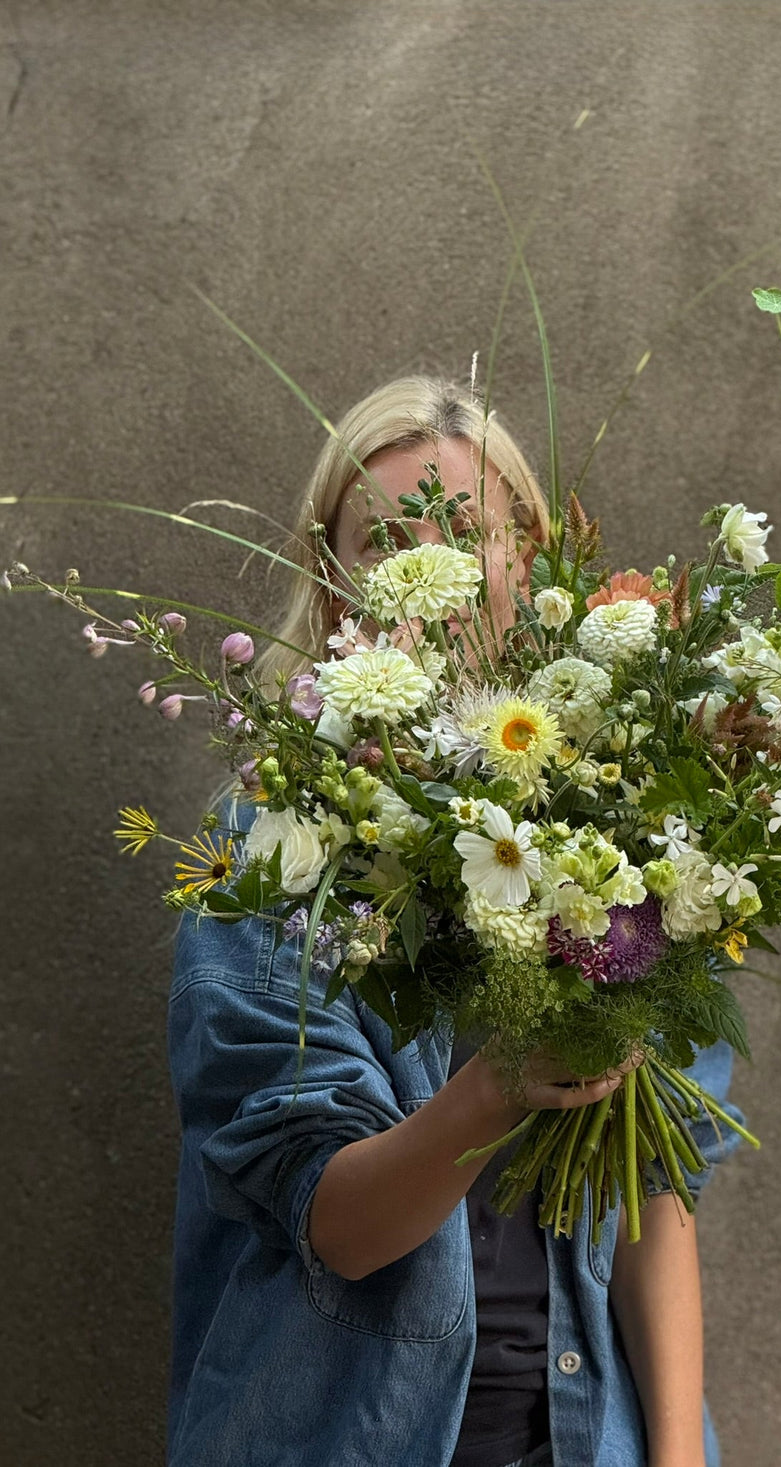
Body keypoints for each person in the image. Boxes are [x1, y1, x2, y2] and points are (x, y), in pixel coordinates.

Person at [167, 377, 745, 1467]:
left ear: (528, 557)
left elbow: (652, 1193)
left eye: (465, 532)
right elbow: (338, 1228)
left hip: (587, 1438)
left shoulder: (622, 811)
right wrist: (499, 1084)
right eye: (385, 541)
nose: (425, 572)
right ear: (333, 583)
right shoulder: (272, 854)